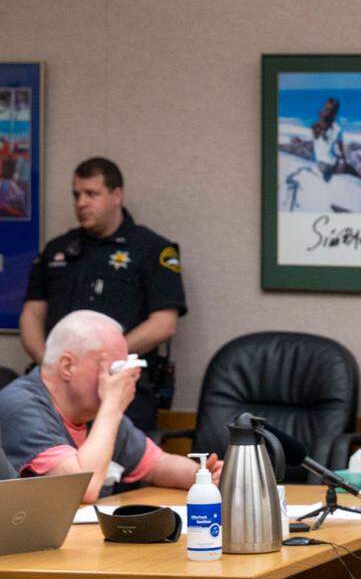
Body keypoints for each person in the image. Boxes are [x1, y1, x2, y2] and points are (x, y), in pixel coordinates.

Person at [19, 157, 187, 432]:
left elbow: (163, 325)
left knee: (114, 471)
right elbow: (31, 314)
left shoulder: (152, 249)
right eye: (76, 194)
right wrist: (49, 365)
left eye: (92, 194)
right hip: (52, 387)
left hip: (120, 385)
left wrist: (102, 359)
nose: (81, 202)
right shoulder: (58, 249)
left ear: (116, 195)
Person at [0, 310, 220, 503]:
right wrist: (112, 406)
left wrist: (204, 477)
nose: (121, 378)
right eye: (114, 368)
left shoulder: (94, 413)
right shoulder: (21, 405)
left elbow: (158, 464)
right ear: (67, 366)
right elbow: (81, 489)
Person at [312, 98, 359, 182]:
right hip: (328, 166)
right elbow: (341, 150)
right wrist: (343, 160)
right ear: (335, 113)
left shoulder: (316, 126)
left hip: (319, 163)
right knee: (353, 172)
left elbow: (321, 145)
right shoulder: (336, 128)